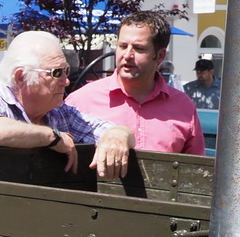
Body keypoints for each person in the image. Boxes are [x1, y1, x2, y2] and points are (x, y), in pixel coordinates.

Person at [0, 30, 133, 178]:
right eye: (56, 73)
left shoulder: (59, 112)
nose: (66, 81)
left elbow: (116, 132)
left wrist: (117, 136)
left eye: (67, 71)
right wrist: (53, 137)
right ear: (21, 77)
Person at [64, 12, 204, 155]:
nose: (127, 55)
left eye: (139, 48)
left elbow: (197, 170)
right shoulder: (81, 102)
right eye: (122, 46)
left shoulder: (183, 107)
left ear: (160, 55)